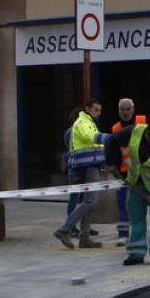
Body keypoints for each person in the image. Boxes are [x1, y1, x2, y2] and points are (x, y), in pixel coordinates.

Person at [98, 119, 150, 266]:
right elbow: (111, 141)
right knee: (136, 219)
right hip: (136, 184)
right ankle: (136, 252)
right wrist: (111, 163)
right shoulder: (133, 132)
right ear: (149, 135)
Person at [53, 99, 104, 250]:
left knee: (87, 202)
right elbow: (90, 138)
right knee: (90, 202)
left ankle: (84, 238)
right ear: (87, 108)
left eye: (99, 110)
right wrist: (109, 138)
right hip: (87, 166)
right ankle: (65, 229)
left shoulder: (88, 123)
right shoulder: (83, 122)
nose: (98, 113)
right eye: (95, 109)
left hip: (86, 166)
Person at [111, 98, 147, 246]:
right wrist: (114, 167)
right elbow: (114, 149)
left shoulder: (142, 121)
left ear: (133, 109)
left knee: (146, 203)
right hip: (125, 172)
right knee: (123, 204)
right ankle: (123, 235)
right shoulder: (116, 128)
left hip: (143, 170)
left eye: (128, 109)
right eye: (122, 109)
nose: (125, 112)